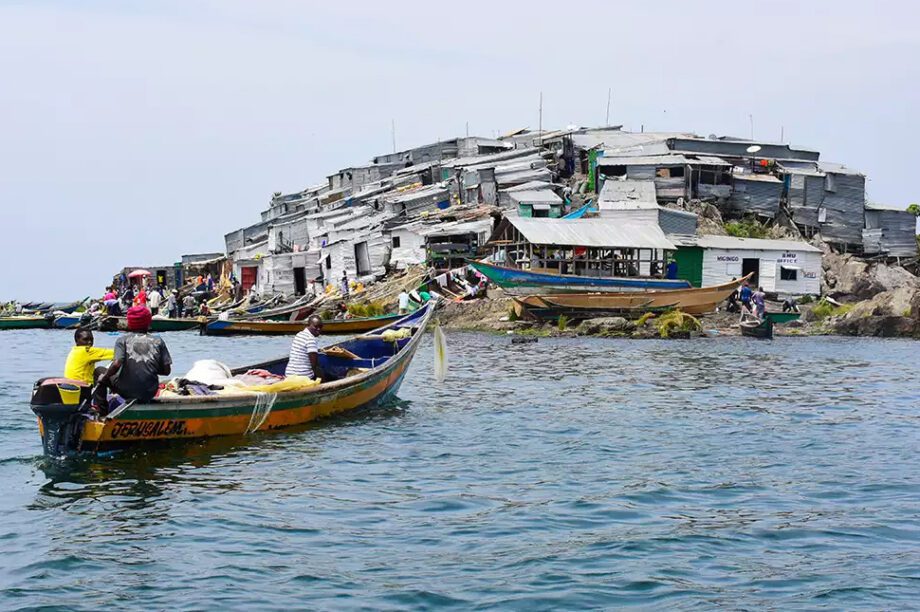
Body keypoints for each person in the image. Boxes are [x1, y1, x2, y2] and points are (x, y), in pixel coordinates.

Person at [94, 306, 172, 412]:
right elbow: (167, 371)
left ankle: (102, 411)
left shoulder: (122, 340)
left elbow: (116, 364)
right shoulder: (158, 341)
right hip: (150, 391)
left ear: (130, 323)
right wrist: (149, 366)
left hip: (127, 391)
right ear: (148, 322)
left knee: (99, 371)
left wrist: (105, 377)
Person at [286, 316, 324, 380]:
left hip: (289, 374)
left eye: (320, 327)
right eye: (316, 326)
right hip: (303, 377)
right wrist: (323, 381)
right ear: (308, 325)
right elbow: (314, 365)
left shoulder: (299, 334)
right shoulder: (310, 339)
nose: (318, 329)